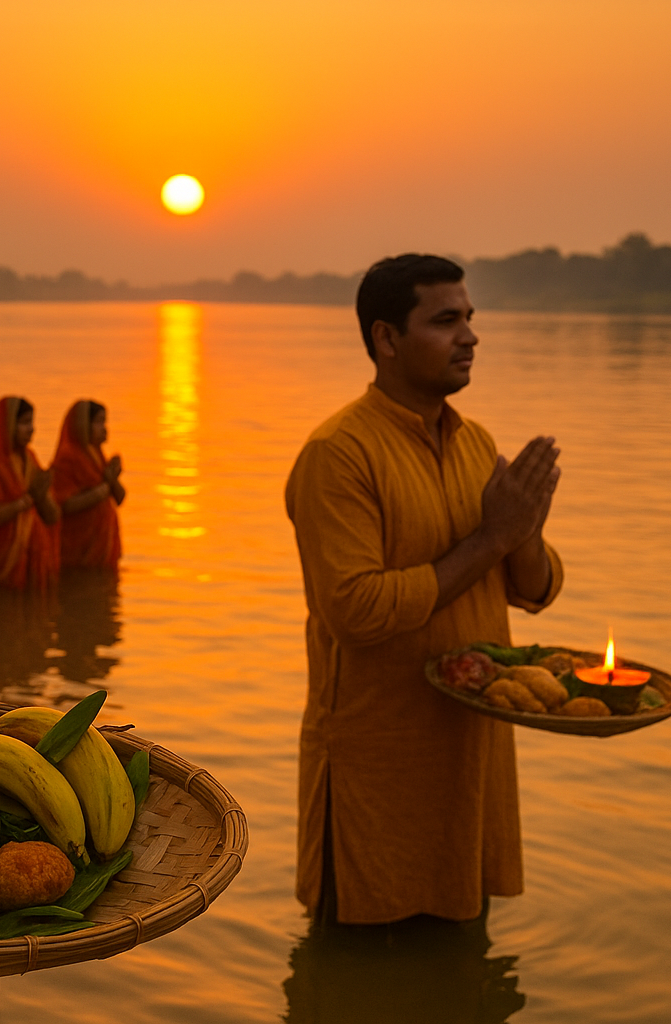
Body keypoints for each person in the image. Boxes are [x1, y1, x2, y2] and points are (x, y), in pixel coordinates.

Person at [283, 253, 563, 925]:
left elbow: (536, 590)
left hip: (471, 751)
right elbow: (357, 610)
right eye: (445, 320)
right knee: (363, 966)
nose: (469, 336)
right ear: (386, 338)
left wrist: (522, 532)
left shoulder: (476, 445)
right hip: (379, 762)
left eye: (469, 318)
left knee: (463, 939)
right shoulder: (339, 453)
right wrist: (494, 538)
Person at [0, 396, 60, 593]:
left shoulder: (30, 460)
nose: (31, 429)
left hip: (30, 556)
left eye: (32, 423)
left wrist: (43, 496)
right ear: (8, 425)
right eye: (24, 423)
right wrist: (26, 501)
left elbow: (52, 515)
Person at [51, 399, 124, 571]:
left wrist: (112, 478)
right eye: (98, 422)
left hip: (101, 547)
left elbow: (120, 498)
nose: (105, 428)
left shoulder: (97, 457)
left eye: (104, 422)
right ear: (83, 425)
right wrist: (102, 490)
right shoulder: (67, 460)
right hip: (77, 547)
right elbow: (64, 505)